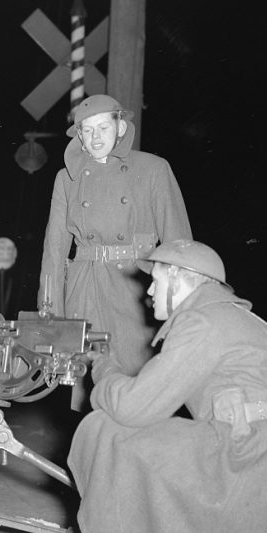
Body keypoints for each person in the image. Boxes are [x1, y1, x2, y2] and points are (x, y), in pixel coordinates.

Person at [66, 239, 267, 533]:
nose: (149, 292)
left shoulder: (201, 321)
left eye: (157, 280)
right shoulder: (243, 319)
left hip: (258, 462)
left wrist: (102, 368)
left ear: (180, 278)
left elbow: (133, 408)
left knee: (107, 429)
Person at [38, 94, 192, 410]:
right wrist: (49, 313)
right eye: (87, 130)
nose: (95, 138)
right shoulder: (66, 179)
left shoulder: (153, 169)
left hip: (136, 287)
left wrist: (184, 304)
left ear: (120, 128)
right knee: (92, 386)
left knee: (141, 388)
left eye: (103, 128)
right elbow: (54, 251)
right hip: (87, 288)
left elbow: (178, 244)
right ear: (78, 134)